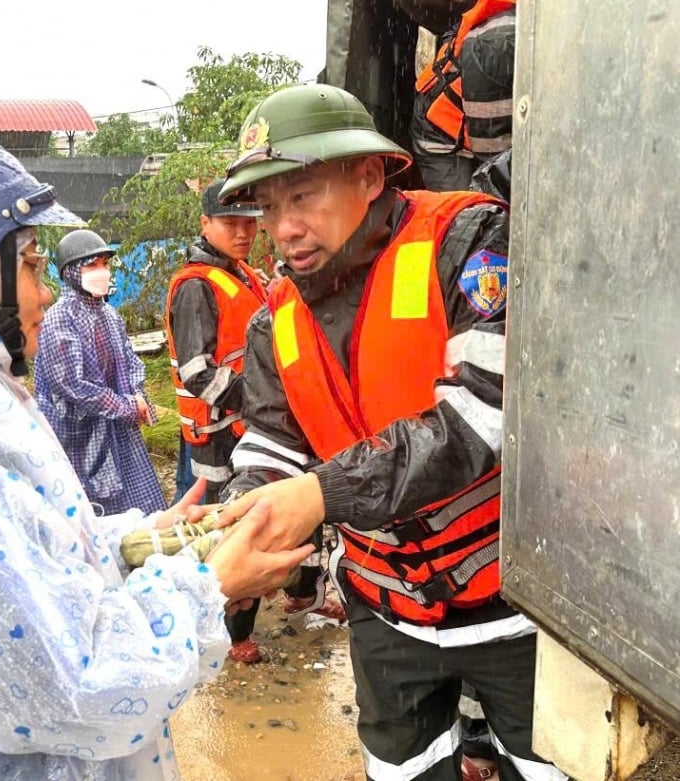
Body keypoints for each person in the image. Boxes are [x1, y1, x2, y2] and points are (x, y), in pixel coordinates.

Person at [0, 128, 312, 779]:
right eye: (28, 264)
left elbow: (22, 559)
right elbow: (79, 685)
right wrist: (207, 586)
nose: (44, 292)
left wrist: (139, 542)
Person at [210, 83, 566, 781]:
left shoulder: (466, 244)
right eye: (269, 207)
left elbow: (483, 418)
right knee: (402, 770)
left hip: (514, 609)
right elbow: (272, 444)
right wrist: (250, 516)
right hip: (385, 610)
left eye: (303, 195)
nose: (283, 228)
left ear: (370, 176)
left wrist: (321, 494)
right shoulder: (273, 319)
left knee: (546, 767)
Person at [164, 179, 271, 663]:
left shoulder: (242, 273)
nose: (243, 232)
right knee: (223, 528)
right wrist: (260, 400)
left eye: (250, 222)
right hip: (218, 435)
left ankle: (246, 615)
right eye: (231, 223)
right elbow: (197, 371)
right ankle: (226, 633)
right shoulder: (196, 286)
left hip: (246, 424)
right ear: (205, 224)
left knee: (249, 517)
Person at [34, 229, 165, 515]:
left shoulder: (109, 314)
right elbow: (71, 384)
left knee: (134, 501)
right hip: (76, 432)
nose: (102, 271)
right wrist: (126, 406)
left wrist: (137, 395)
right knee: (86, 506)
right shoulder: (59, 318)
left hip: (117, 425)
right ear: (70, 272)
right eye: (91, 265)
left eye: (105, 264)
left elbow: (130, 361)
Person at [411, 0, 517, 191]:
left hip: (480, 111)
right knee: (471, 207)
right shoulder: (497, 46)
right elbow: (490, 152)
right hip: (440, 135)